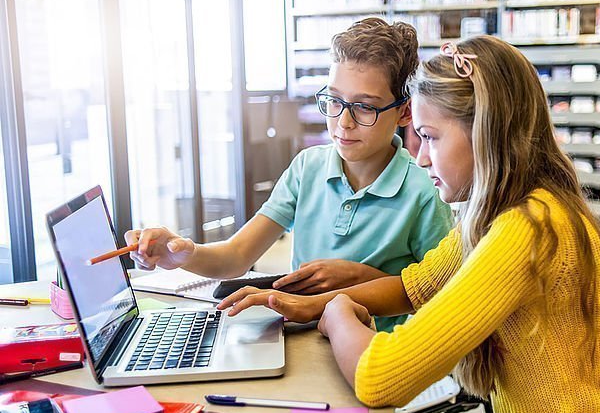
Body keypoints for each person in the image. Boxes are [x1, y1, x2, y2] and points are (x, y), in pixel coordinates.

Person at [219, 36, 600, 413]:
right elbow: (412, 287)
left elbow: (381, 378)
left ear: (487, 131)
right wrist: (304, 304)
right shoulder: (508, 212)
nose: (421, 156)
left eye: (430, 137)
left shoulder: (526, 229)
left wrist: (335, 314)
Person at [127, 18, 452, 332]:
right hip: (302, 338)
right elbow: (237, 256)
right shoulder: (307, 167)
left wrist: (362, 276)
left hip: (376, 351)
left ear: (405, 112)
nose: (343, 122)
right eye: (334, 101)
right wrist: (184, 253)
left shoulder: (425, 192)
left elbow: (441, 295)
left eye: (365, 107)